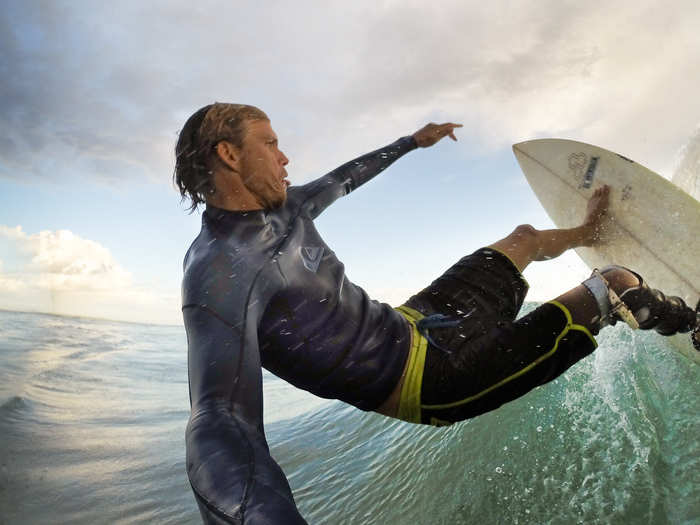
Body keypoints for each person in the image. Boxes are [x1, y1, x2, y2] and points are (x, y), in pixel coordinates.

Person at [175, 103, 697, 524]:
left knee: (523, 239)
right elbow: (221, 417)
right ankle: (693, 324)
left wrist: (411, 142)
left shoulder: (286, 208)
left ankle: (587, 232)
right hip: (430, 380)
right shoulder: (219, 273)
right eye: (270, 144)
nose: (285, 158)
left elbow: (347, 177)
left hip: (417, 320)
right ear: (229, 154)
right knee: (614, 286)